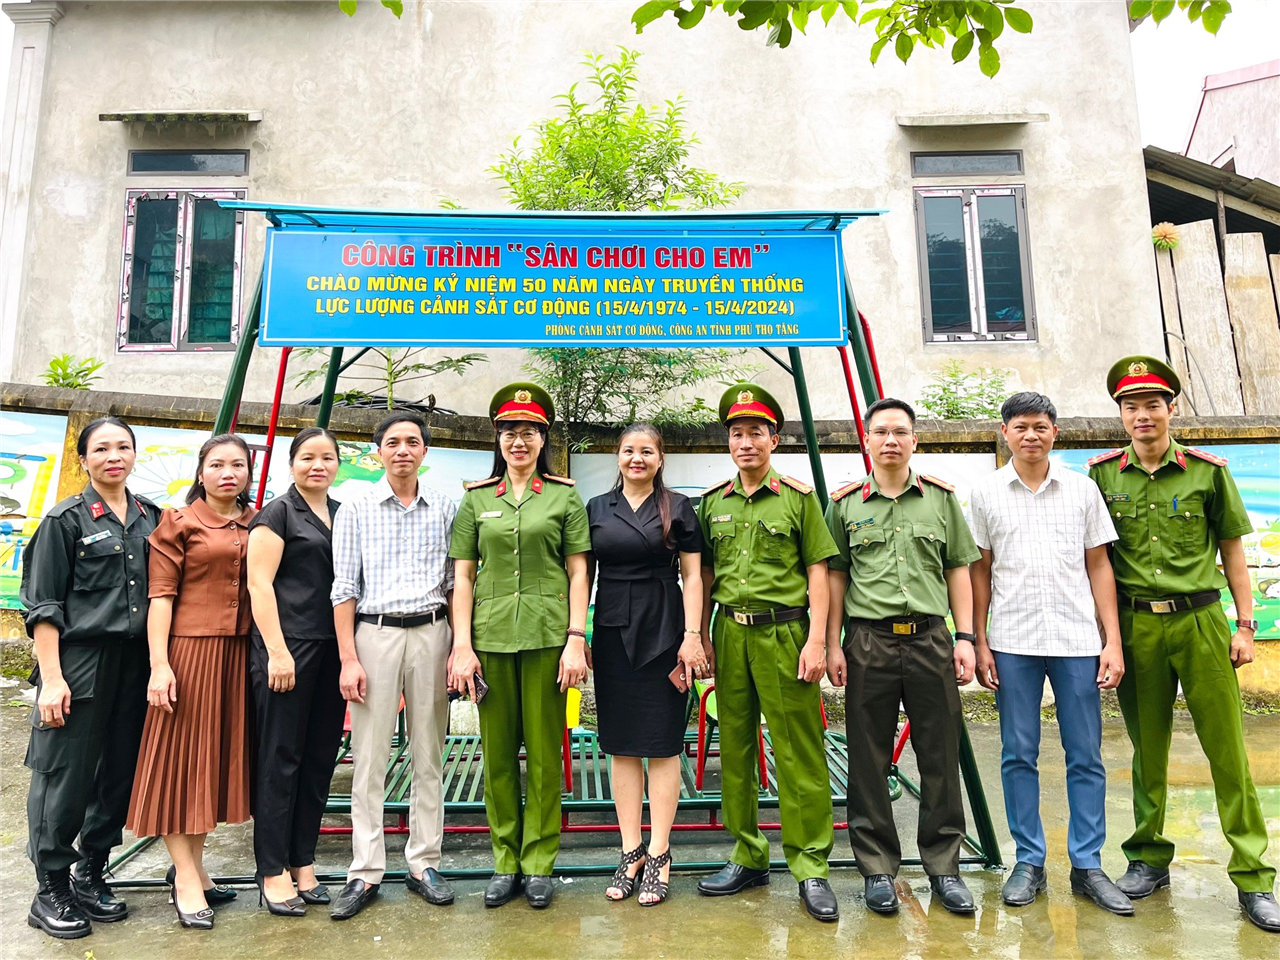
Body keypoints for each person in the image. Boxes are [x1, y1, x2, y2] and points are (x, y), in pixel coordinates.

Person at [1087, 356, 1278, 933]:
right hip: (1137, 626)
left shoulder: (1207, 471)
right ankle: (1147, 858)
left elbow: (1233, 553)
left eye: (1152, 404)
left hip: (1200, 624)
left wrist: (1245, 626)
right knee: (1147, 748)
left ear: (1172, 409)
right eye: (1130, 406)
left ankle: (1253, 875)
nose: (1142, 415)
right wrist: (1106, 638)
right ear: (1120, 416)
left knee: (1228, 751)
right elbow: (1093, 560)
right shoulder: (1100, 477)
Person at [968, 392, 1132, 915]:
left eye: (1040, 426)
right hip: (1012, 641)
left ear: (1054, 432)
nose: (1031, 435)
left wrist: (1112, 640)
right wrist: (980, 639)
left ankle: (1087, 865)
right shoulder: (986, 494)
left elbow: (1099, 566)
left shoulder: (1082, 491)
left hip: (1077, 641)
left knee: (1085, 754)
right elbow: (979, 572)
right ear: (1005, 432)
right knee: (1019, 753)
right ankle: (1029, 862)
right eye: (1021, 427)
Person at [823, 398, 980, 916]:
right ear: (865, 440)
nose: (891, 440)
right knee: (867, 756)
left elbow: (958, 568)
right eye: (881, 432)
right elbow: (835, 578)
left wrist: (967, 637)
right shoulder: (845, 505)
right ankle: (877, 870)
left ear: (915, 440)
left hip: (932, 638)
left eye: (900, 432)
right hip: (868, 641)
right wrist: (830, 643)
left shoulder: (939, 500)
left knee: (940, 753)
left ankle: (944, 867)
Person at [695, 382, 840, 923]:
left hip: (787, 635)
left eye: (756, 431)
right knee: (734, 747)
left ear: (774, 438)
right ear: (728, 443)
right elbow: (703, 574)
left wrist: (818, 640)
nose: (746, 442)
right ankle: (748, 854)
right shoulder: (712, 504)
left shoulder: (799, 500)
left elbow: (818, 572)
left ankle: (809, 866)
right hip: (730, 633)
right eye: (737, 433)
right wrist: (702, 635)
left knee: (798, 750)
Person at [448, 382, 592, 910]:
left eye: (528, 431)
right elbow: (462, 577)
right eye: (509, 431)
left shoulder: (563, 496)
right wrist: (462, 646)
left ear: (542, 438)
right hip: (489, 640)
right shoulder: (476, 499)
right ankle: (504, 859)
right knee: (499, 757)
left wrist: (577, 639)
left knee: (547, 756)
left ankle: (538, 863)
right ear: (498, 437)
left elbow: (580, 573)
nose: (518, 441)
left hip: (549, 640)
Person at [20, 417, 162, 940]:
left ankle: (91, 869)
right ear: (84, 459)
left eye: (122, 447)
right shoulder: (65, 520)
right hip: (79, 661)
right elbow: (43, 607)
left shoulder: (151, 516)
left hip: (136, 663)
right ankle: (50, 885)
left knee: (118, 771)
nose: (113, 456)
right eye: (101, 448)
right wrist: (52, 680)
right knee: (64, 774)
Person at [327, 413, 458, 920]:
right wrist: (347, 658)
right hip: (373, 634)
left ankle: (424, 861)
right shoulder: (356, 507)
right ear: (378, 450)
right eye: (393, 442)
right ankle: (365, 870)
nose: (403, 450)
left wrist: (456, 646)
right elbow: (344, 587)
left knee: (430, 753)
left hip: (431, 631)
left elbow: (453, 582)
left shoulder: (446, 506)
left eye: (412, 442)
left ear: (425, 451)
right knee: (370, 756)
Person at [126, 434, 256, 931]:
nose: (228, 473)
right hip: (190, 653)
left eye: (237, 465)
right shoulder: (178, 523)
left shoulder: (255, 520)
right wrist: (160, 664)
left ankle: (197, 870)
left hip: (238, 656)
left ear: (249, 473)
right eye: (217, 465)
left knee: (209, 769)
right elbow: (161, 597)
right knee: (180, 768)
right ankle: (183, 877)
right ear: (200, 473)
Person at [586, 423, 707, 907]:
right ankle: (629, 847)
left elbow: (694, 576)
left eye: (647, 451)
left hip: (665, 630)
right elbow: (582, 575)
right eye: (629, 450)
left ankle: (660, 851)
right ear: (617, 457)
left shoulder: (678, 507)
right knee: (620, 744)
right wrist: (580, 635)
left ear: (660, 459)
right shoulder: (596, 507)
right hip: (613, 630)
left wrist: (692, 637)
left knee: (661, 744)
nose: (637, 458)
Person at [247, 427, 344, 915]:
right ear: (292, 464)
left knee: (319, 757)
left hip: (333, 652)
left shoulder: (343, 514)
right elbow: (259, 585)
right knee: (279, 759)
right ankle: (271, 870)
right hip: (288, 650)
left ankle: (303, 860)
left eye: (327, 457)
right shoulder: (278, 513)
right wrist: (277, 651)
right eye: (307, 457)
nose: (317, 466)